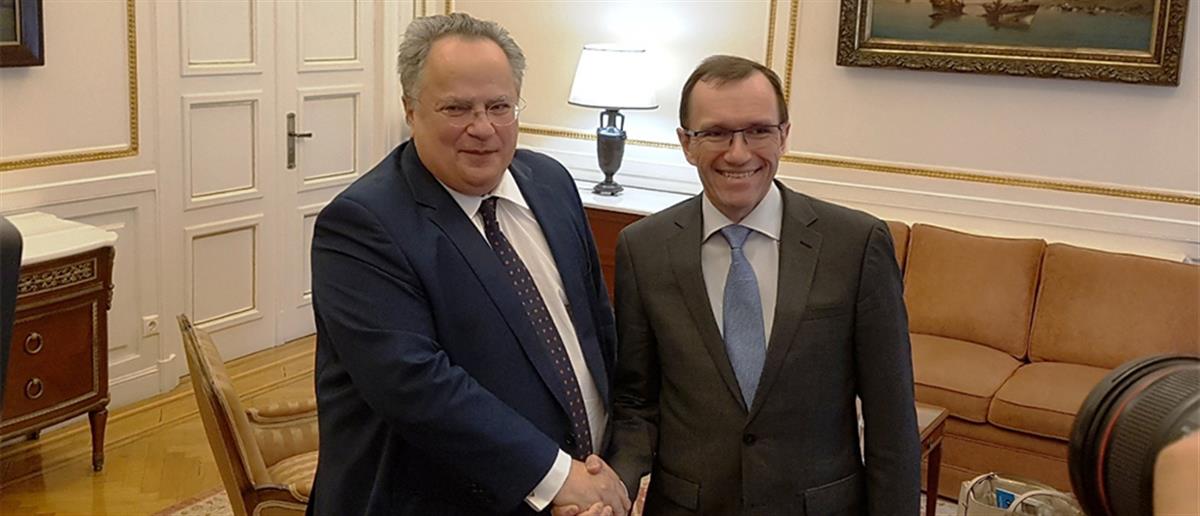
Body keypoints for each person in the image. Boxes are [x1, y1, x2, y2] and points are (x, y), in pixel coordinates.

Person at [307, 13, 629, 516]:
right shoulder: (362, 225)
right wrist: (557, 478)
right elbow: (417, 387)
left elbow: (596, 331)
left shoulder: (551, 183)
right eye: (457, 108)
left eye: (499, 106)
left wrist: (607, 468)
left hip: (584, 489)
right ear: (411, 110)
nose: (483, 128)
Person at [604, 55, 921, 515]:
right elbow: (636, 402)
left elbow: (891, 418)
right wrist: (616, 486)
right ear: (686, 143)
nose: (738, 153)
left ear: (784, 136)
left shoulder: (855, 244)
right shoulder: (643, 248)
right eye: (715, 133)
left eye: (758, 130)